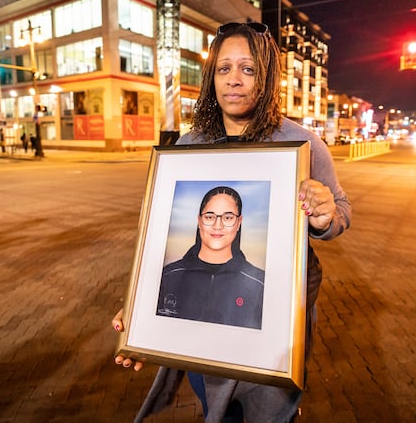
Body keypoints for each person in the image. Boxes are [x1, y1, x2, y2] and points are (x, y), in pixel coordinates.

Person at [112, 21, 352, 422]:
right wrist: (138, 307)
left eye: (248, 69)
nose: (234, 81)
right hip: (205, 326)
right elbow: (156, 236)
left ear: (266, 76)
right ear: (211, 77)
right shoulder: (190, 145)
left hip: (273, 321)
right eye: (224, 69)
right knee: (214, 407)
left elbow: (339, 210)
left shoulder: (301, 144)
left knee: (270, 412)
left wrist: (325, 215)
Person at [157, 185, 264, 330]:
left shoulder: (260, 284)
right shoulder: (167, 276)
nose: (217, 225)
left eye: (228, 217)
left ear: (239, 223)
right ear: (199, 221)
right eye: (209, 217)